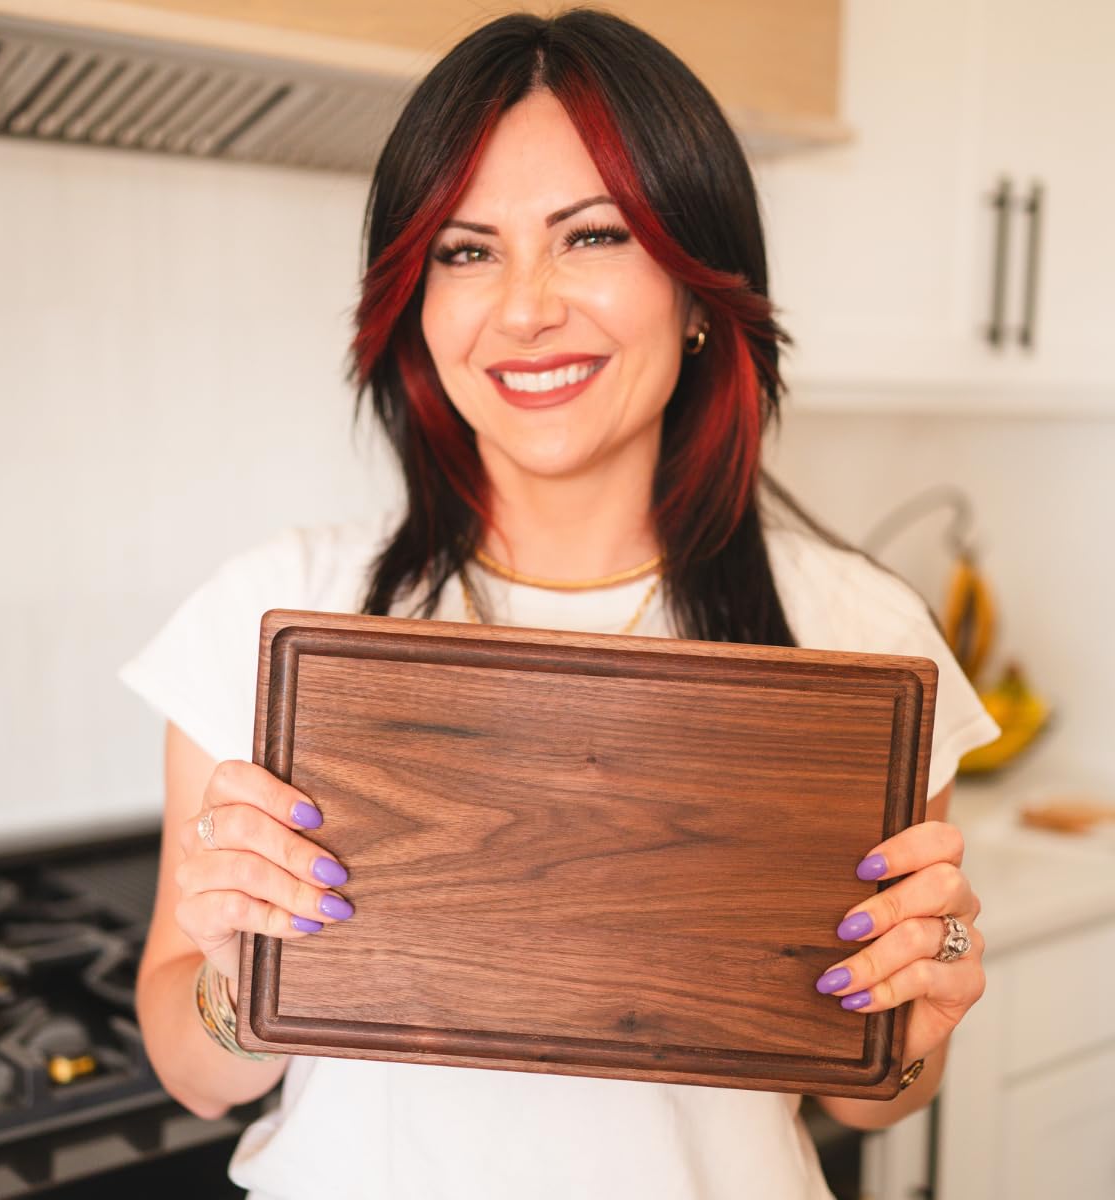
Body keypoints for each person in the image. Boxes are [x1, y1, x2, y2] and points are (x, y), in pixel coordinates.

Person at [120, 9, 999, 1198]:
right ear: (416, 311)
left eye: (591, 236)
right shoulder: (276, 611)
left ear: (698, 291)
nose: (524, 307)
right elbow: (190, 1067)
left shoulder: (859, 637)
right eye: (466, 251)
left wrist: (915, 1006)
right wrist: (231, 980)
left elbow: (869, 1088)